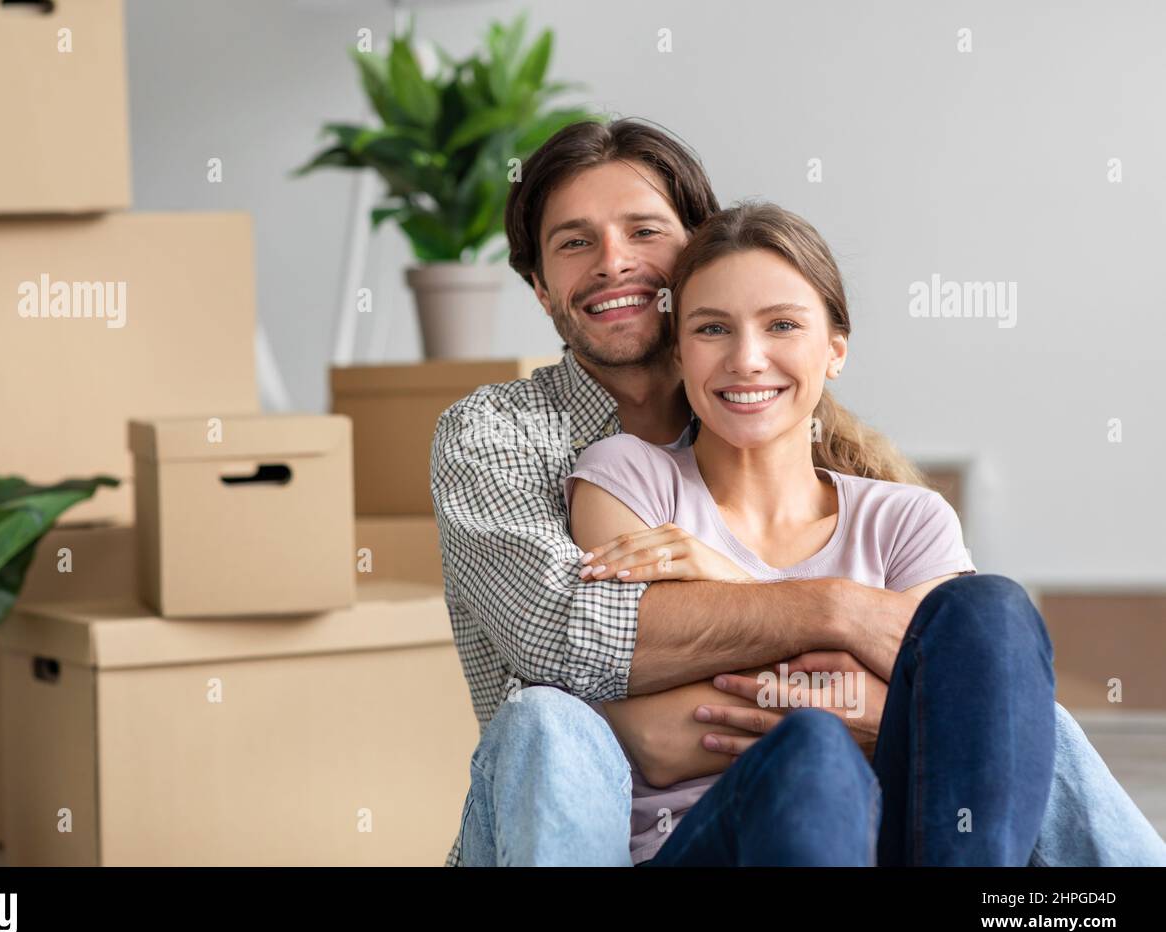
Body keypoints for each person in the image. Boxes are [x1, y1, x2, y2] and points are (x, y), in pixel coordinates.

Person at [430, 117, 1166, 866]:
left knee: (1022, 702)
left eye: (644, 231)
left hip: (849, 816)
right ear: (541, 288)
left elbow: (972, 690)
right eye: (575, 242)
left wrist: (747, 615)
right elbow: (560, 635)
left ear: (693, 247)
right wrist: (838, 612)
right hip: (593, 818)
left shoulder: (849, 473)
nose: (614, 263)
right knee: (557, 720)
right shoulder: (513, 439)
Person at [563, 201, 1052, 864]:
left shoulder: (908, 519)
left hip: (899, 846)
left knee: (992, 608)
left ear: (834, 351)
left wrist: (726, 585)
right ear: (678, 351)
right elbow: (640, 696)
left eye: (782, 325)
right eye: (712, 329)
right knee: (815, 749)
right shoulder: (629, 480)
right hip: (698, 844)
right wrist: (863, 687)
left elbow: (969, 697)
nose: (747, 359)